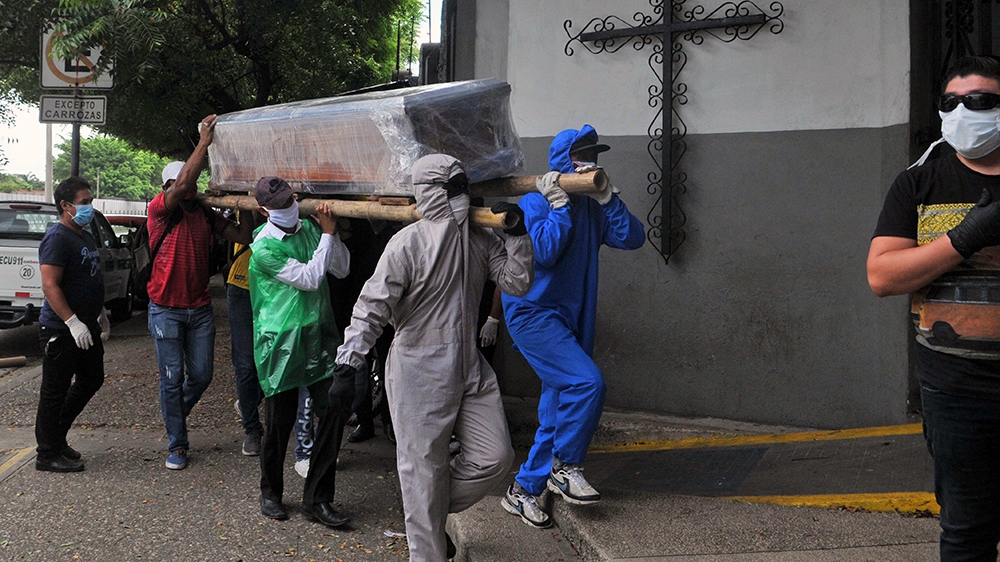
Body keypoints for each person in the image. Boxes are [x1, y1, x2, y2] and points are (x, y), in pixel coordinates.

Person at [334, 154, 533, 561]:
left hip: (469, 366)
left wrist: (519, 236)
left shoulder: (481, 238)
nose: (462, 197)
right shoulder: (408, 243)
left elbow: (517, 281)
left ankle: (425, 511)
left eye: (464, 185)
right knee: (422, 473)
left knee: (496, 456)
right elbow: (372, 304)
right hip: (418, 369)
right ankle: (426, 543)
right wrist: (349, 358)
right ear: (429, 194)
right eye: (452, 188)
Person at [868, 55, 1000, 562]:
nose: (966, 111)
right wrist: (964, 238)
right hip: (957, 393)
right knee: (967, 533)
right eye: (953, 102)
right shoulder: (918, 183)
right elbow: (882, 276)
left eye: (982, 101)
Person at [500, 125, 645, 528]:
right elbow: (544, 253)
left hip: (571, 316)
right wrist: (558, 206)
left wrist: (609, 198)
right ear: (565, 161)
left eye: (594, 155)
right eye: (582, 155)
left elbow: (632, 238)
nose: (591, 163)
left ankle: (523, 491)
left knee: (556, 411)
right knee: (587, 384)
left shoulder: (594, 207)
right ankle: (565, 468)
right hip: (533, 314)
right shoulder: (534, 201)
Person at [147, 114, 253, 471]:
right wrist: (204, 142)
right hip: (165, 309)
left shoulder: (206, 216)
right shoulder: (160, 210)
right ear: (171, 186)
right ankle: (177, 443)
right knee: (172, 377)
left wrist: (245, 199)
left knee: (202, 376)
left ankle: (172, 411)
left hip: (200, 310)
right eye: (183, 184)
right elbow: (182, 185)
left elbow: (243, 236)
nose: (190, 188)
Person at [248, 176, 352, 528]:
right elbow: (309, 278)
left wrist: (330, 234)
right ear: (264, 211)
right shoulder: (263, 248)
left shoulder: (311, 229)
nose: (289, 208)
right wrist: (324, 235)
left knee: (334, 410)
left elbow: (340, 268)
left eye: (291, 200)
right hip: (280, 344)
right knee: (278, 424)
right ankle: (271, 492)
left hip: (317, 337)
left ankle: (318, 499)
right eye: (280, 205)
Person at [34, 177, 110, 472]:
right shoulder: (58, 237)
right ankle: (46, 454)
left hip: (86, 323)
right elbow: (50, 286)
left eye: (90, 201)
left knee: (92, 379)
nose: (89, 206)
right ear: (66, 206)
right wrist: (72, 321)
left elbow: (88, 276)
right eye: (84, 202)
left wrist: (99, 311)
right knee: (54, 390)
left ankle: (56, 436)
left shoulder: (84, 234)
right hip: (62, 329)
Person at [226, 227, 263, 457]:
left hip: (281, 283)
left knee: (280, 358)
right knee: (246, 365)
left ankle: (250, 401)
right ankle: (252, 428)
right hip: (243, 286)